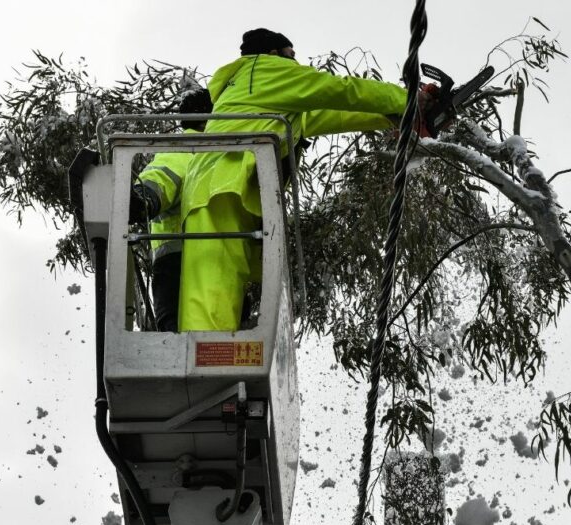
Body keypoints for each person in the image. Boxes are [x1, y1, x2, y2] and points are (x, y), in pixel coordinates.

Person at [178, 28, 412, 332]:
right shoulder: (264, 70)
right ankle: (202, 370)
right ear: (273, 54)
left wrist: (393, 117)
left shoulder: (277, 101)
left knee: (227, 285)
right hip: (217, 188)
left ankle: (217, 361)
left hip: (234, 192)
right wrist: (409, 99)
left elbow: (335, 113)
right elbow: (342, 90)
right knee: (210, 296)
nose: (296, 61)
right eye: (291, 55)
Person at [130, 88, 213, 332]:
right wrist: (145, 198)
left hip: (178, 264)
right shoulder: (188, 150)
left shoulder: (216, 152)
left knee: (178, 347)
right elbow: (160, 178)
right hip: (184, 265)